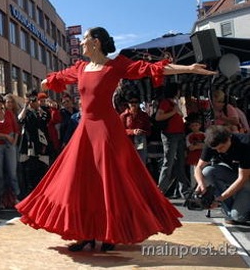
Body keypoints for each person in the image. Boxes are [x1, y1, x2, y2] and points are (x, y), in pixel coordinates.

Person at [16, 26, 216, 252]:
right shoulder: (80, 68)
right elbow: (56, 79)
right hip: (85, 130)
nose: (81, 43)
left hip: (106, 129)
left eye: (84, 39)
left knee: (109, 182)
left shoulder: (115, 65)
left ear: (96, 42)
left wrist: (189, 67)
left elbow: (148, 69)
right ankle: (85, 233)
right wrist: (46, 82)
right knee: (79, 181)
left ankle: (110, 232)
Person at [194, 125, 250, 225]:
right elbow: (198, 168)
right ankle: (231, 212)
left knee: (239, 217)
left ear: (229, 139)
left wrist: (219, 199)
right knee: (208, 171)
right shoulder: (211, 143)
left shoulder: (245, 144)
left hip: (246, 179)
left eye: (221, 147)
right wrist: (201, 184)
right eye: (216, 149)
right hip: (236, 174)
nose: (218, 151)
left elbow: (242, 179)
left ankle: (238, 212)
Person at [155, 82, 190, 198]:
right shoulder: (165, 103)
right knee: (168, 163)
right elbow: (158, 117)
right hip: (170, 135)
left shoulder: (175, 102)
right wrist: (174, 112)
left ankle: (184, 191)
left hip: (179, 134)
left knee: (180, 163)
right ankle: (161, 190)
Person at [119, 94, 152, 165]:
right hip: (128, 143)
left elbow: (148, 130)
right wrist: (132, 132)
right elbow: (120, 131)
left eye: (136, 102)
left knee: (141, 161)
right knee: (128, 163)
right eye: (131, 102)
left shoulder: (144, 115)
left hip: (140, 141)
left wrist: (141, 132)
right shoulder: (123, 116)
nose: (134, 104)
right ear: (128, 103)